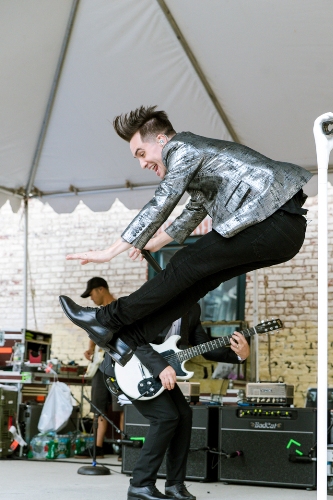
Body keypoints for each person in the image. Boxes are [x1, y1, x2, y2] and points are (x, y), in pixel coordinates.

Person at [59, 106, 311, 363]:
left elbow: (163, 199)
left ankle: (105, 319)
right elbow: (197, 207)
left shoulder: (183, 148)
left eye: (142, 154)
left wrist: (109, 252)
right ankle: (130, 339)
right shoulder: (196, 158)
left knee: (183, 264)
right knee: (196, 283)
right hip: (282, 234)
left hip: (272, 220)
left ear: (161, 140)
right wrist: (156, 241)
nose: (142, 164)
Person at [124, 303, 250, 500]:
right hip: (128, 367)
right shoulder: (155, 300)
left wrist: (239, 355)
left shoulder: (192, 309)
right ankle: (140, 484)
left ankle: (174, 484)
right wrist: (159, 366)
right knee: (165, 417)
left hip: (159, 372)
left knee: (184, 415)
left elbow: (205, 347)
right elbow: (130, 336)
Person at [77, 277, 124, 459]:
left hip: (118, 364)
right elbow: (94, 331)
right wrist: (90, 348)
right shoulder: (99, 312)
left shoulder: (119, 308)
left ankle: (125, 448)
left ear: (101, 289)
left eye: (91, 294)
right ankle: (98, 447)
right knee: (98, 406)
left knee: (121, 406)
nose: (91, 299)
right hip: (100, 365)